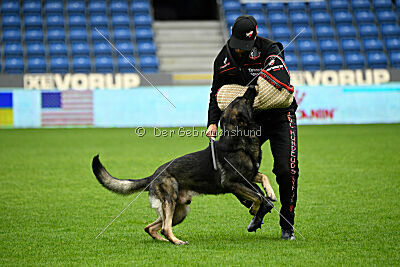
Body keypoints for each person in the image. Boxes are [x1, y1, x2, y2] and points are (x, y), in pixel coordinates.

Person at [205, 15, 299, 240]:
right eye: (238, 46)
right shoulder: (222, 59)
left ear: (255, 35)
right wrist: (212, 122)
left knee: (286, 170)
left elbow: (279, 87)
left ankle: (287, 221)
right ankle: (258, 204)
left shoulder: (271, 49)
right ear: (230, 32)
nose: (241, 51)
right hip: (249, 122)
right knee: (229, 167)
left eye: (245, 47)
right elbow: (215, 92)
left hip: (279, 117)